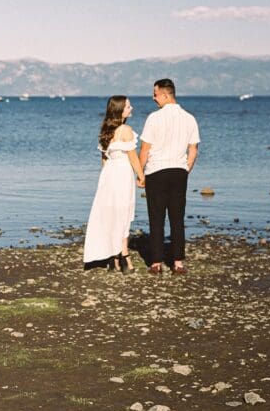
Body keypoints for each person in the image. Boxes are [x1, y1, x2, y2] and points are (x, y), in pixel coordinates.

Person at [139, 78, 200, 275]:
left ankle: (156, 263)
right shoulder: (189, 118)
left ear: (166, 95)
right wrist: (185, 169)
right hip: (178, 171)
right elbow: (193, 150)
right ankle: (178, 262)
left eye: (155, 94)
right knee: (177, 217)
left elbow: (145, 149)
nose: (153, 98)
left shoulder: (154, 118)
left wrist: (140, 174)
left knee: (156, 218)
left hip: (156, 171)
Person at [83, 95, 145, 273]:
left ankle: (113, 258)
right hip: (122, 173)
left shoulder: (105, 130)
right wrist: (142, 176)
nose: (131, 108)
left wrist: (105, 178)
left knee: (111, 215)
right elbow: (133, 157)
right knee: (123, 215)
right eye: (128, 106)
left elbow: (104, 159)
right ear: (119, 110)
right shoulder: (125, 130)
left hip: (108, 174)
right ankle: (124, 257)